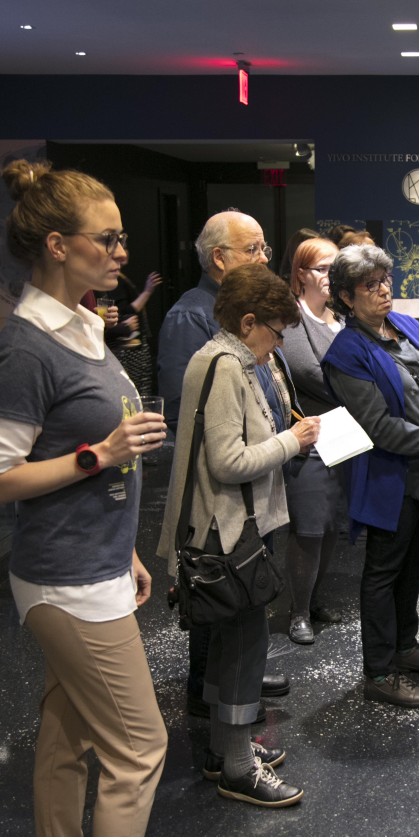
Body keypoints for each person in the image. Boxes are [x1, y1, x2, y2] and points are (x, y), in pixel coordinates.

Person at [0, 159, 201, 837]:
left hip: (94, 563)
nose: (121, 252)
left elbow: (98, 464)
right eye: (107, 239)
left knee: (68, 736)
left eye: (121, 238)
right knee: (139, 747)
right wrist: (98, 454)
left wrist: (126, 545)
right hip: (66, 580)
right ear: (57, 244)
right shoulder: (24, 349)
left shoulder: (81, 324)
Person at [158, 264, 321, 805]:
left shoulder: (225, 359)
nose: (279, 344)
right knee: (244, 648)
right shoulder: (225, 367)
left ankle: (221, 750)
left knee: (232, 644)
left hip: (228, 526)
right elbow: (228, 462)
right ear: (247, 323)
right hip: (228, 532)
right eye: (275, 332)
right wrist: (293, 441)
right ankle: (237, 767)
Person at [321, 245, 419, 708]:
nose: (384, 290)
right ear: (346, 298)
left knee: (414, 565)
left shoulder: (406, 324)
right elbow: (377, 426)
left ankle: (406, 647)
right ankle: (380, 672)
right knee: (383, 573)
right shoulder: (346, 353)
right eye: (370, 285)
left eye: (385, 279)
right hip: (391, 480)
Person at [157, 209, 289, 715]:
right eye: (253, 249)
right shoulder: (194, 320)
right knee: (218, 595)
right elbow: (192, 418)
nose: (263, 258)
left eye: (264, 249)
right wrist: (282, 444)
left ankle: (233, 684)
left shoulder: (250, 316)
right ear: (219, 257)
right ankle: (209, 698)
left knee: (242, 603)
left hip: (255, 484)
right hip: (223, 499)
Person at [279, 237, 347, 644]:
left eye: (335, 269)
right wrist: (362, 385)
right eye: (322, 269)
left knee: (333, 523)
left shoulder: (340, 318)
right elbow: (310, 372)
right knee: (308, 527)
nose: (330, 276)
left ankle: (315, 600)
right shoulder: (293, 318)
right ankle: (298, 612)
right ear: (301, 274)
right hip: (310, 439)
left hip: (346, 435)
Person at [96, 255, 161, 395]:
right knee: (132, 392)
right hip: (124, 349)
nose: (122, 253)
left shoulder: (119, 277)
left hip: (132, 345)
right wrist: (148, 291)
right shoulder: (108, 282)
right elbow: (125, 311)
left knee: (141, 390)